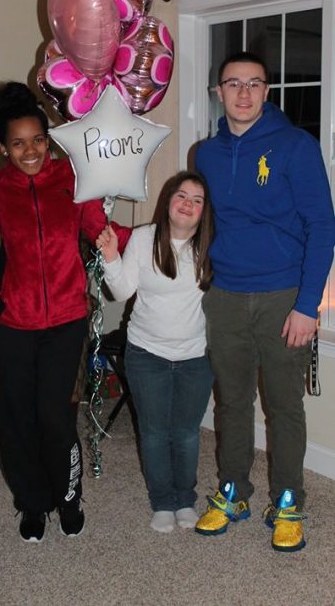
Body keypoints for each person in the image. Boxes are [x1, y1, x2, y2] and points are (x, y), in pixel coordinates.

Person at [194, 51, 335, 552]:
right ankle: (234, 490)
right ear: (219, 92)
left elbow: (323, 227)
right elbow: (200, 220)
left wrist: (307, 305)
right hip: (227, 294)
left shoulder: (296, 146)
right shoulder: (205, 155)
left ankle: (289, 499)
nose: (244, 93)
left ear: (268, 91)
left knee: (283, 405)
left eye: (255, 83)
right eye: (233, 83)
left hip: (283, 297)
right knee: (232, 402)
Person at [0, 82, 131, 543]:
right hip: (11, 323)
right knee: (15, 420)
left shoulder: (71, 178)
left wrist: (156, 239)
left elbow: (100, 230)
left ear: (48, 140)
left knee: (54, 418)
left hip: (66, 319)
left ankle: (68, 497)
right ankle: (32, 503)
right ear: (3, 148)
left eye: (37, 140)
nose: (30, 150)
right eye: (17, 143)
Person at [96, 171, 214, 534]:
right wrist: (112, 257)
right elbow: (120, 292)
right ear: (168, 201)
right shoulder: (145, 238)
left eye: (197, 200)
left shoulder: (211, 247)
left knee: (186, 433)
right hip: (147, 354)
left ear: (203, 211)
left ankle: (185, 498)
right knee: (154, 431)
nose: (188, 205)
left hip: (196, 357)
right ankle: (162, 500)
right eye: (182, 196)